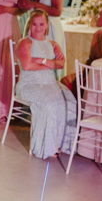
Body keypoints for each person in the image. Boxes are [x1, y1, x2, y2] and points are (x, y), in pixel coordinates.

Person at [14, 10, 76, 159]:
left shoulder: (53, 45)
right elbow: (28, 66)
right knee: (49, 105)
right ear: (30, 25)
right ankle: (46, 147)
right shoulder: (25, 43)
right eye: (34, 24)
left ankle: (62, 143)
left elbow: (61, 64)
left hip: (50, 83)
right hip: (29, 84)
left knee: (69, 102)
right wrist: (51, 64)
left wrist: (41, 60)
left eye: (41, 24)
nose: (38, 28)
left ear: (47, 25)